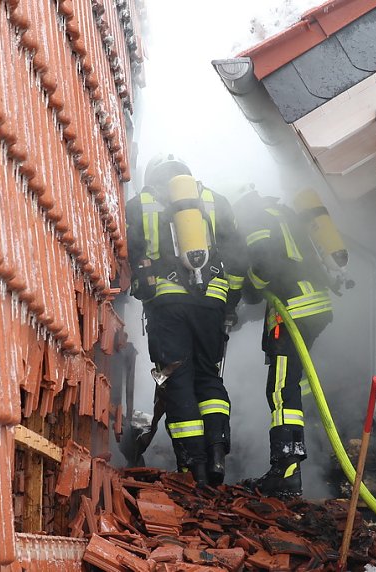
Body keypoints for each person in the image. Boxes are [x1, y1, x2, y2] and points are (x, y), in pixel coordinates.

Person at [125, 153, 245, 486]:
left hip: (167, 305)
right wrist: (229, 303)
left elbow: (129, 250)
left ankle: (193, 468)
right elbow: (237, 255)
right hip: (212, 303)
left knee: (176, 380)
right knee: (208, 377)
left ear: (153, 176)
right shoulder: (214, 201)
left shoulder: (141, 203)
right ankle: (218, 452)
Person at [229, 183, 334, 498]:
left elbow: (264, 265)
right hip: (315, 305)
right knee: (294, 384)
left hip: (294, 309)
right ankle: (300, 456)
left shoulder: (257, 218)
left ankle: (286, 472)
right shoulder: (283, 212)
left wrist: (251, 288)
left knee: (280, 389)